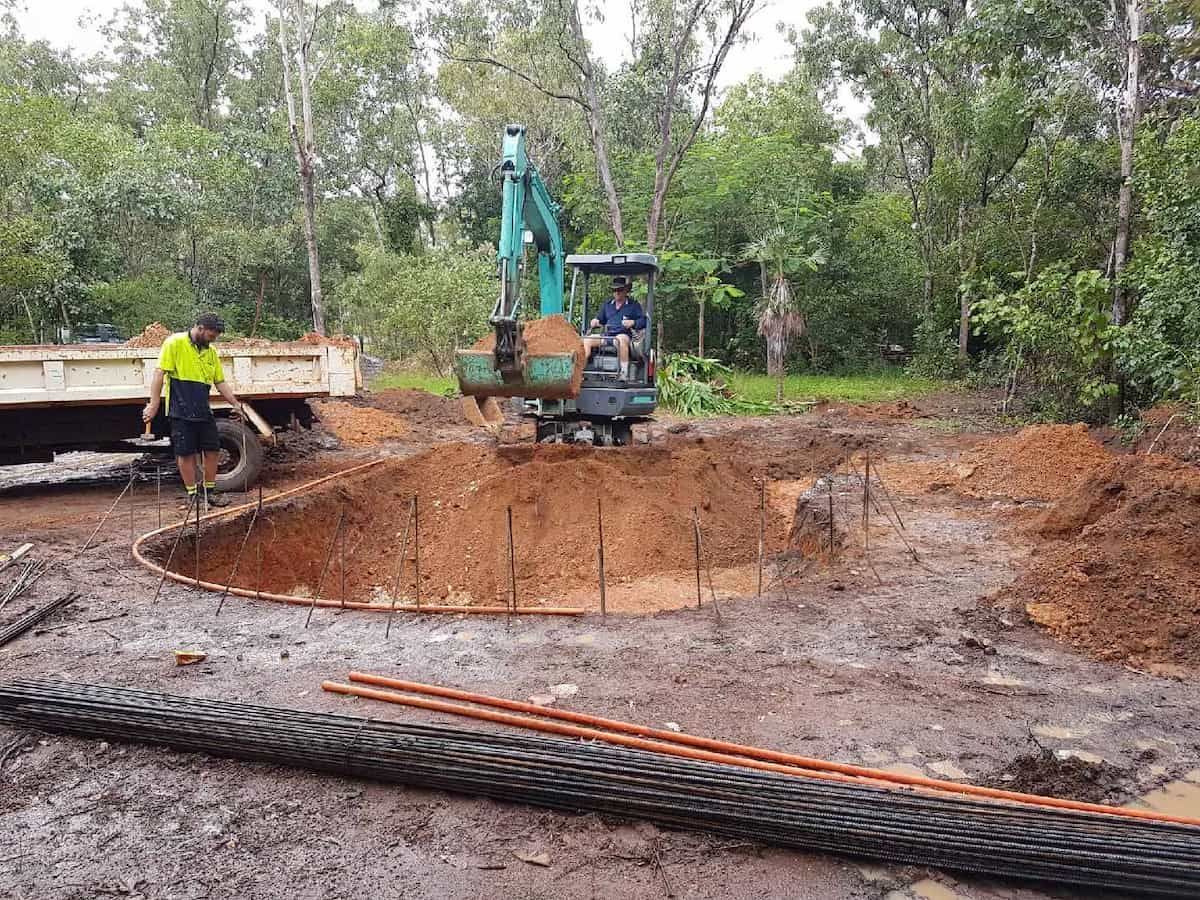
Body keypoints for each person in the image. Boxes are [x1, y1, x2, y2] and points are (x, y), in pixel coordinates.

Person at [142, 313, 243, 508]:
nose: (213, 340)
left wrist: (235, 403)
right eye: (211, 336)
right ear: (200, 328)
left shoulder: (210, 352)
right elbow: (159, 373)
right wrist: (153, 404)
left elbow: (219, 381)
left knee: (213, 450)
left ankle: (209, 491)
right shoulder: (175, 343)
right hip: (180, 410)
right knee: (185, 454)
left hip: (203, 410)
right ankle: (192, 495)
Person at [583, 276, 647, 380]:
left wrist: (633, 322)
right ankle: (581, 371)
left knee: (620, 339)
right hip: (607, 335)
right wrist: (595, 321)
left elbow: (643, 321)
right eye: (614, 290)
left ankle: (623, 373)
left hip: (623, 335)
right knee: (587, 340)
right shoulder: (608, 305)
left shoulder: (633, 305)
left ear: (626, 290)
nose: (617, 292)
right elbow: (600, 319)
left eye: (620, 290)